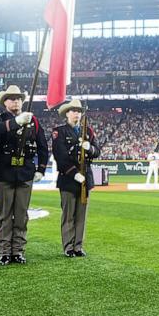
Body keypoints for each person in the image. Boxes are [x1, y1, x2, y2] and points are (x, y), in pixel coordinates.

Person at [0, 85, 49, 265]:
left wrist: (41, 169)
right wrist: (16, 122)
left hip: (25, 172)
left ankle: (18, 250)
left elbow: (43, 146)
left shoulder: (34, 121)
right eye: (11, 98)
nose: (15, 101)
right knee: (4, 214)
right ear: (4, 102)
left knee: (21, 215)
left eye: (18, 98)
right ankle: (4, 251)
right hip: (4, 172)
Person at [51, 98, 100, 258]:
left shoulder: (88, 131)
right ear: (67, 113)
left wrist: (90, 148)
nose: (76, 114)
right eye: (73, 111)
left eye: (78, 111)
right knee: (68, 215)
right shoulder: (60, 131)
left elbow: (98, 151)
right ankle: (68, 246)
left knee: (81, 215)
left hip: (86, 178)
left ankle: (78, 246)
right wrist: (74, 173)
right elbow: (60, 156)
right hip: (68, 179)